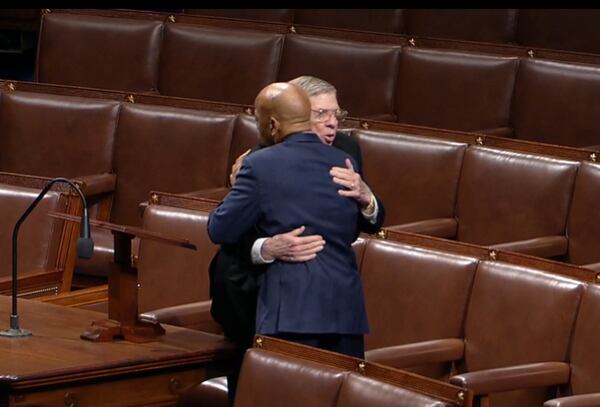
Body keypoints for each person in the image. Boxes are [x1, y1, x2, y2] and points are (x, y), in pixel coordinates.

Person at [208, 79, 369, 355]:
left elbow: (220, 229)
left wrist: (237, 191)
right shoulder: (344, 163)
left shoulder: (258, 165)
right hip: (345, 307)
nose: (332, 123)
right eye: (322, 114)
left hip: (291, 309)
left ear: (272, 125)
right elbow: (349, 230)